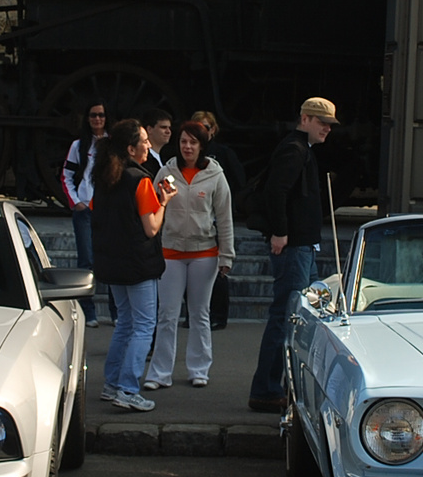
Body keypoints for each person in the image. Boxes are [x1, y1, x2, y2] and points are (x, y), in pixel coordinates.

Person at [248, 97, 336, 413]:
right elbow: (277, 191)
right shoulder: (295, 150)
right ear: (305, 118)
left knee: (291, 314)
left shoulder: (298, 149)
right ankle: (268, 387)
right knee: (287, 315)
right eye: (322, 121)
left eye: (329, 123)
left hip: (299, 244)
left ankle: (272, 386)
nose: (327, 128)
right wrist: (281, 232)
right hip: (294, 245)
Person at [92, 118, 175, 412]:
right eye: (144, 141)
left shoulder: (104, 177)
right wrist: (163, 202)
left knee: (125, 323)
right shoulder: (140, 179)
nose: (149, 145)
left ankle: (112, 384)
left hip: (111, 261)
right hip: (138, 262)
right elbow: (151, 227)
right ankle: (127, 388)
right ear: (131, 148)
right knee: (143, 325)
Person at [143, 121, 234, 390]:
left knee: (199, 314)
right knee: (167, 314)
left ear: (202, 146)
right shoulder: (166, 172)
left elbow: (224, 218)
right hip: (170, 252)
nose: (187, 147)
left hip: (204, 252)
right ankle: (159, 373)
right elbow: (154, 209)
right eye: (183, 141)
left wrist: (226, 256)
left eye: (193, 142)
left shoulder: (216, 175)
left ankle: (199, 369)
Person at [61, 99, 107, 327]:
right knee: (86, 261)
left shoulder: (112, 144)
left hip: (107, 211)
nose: (97, 119)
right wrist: (76, 202)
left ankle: (117, 312)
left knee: (109, 259)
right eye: (93, 115)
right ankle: (89, 312)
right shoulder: (78, 145)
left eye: (101, 115)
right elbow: (66, 175)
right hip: (85, 210)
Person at [191, 110, 247, 199]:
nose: (201, 131)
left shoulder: (224, 152)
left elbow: (239, 181)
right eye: (197, 127)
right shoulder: (187, 152)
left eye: (205, 127)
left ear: (212, 129)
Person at [139, 108, 173, 176]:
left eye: (169, 128)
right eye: (163, 127)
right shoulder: (144, 159)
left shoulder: (167, 160)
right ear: (149, 129)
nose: (168, 131)